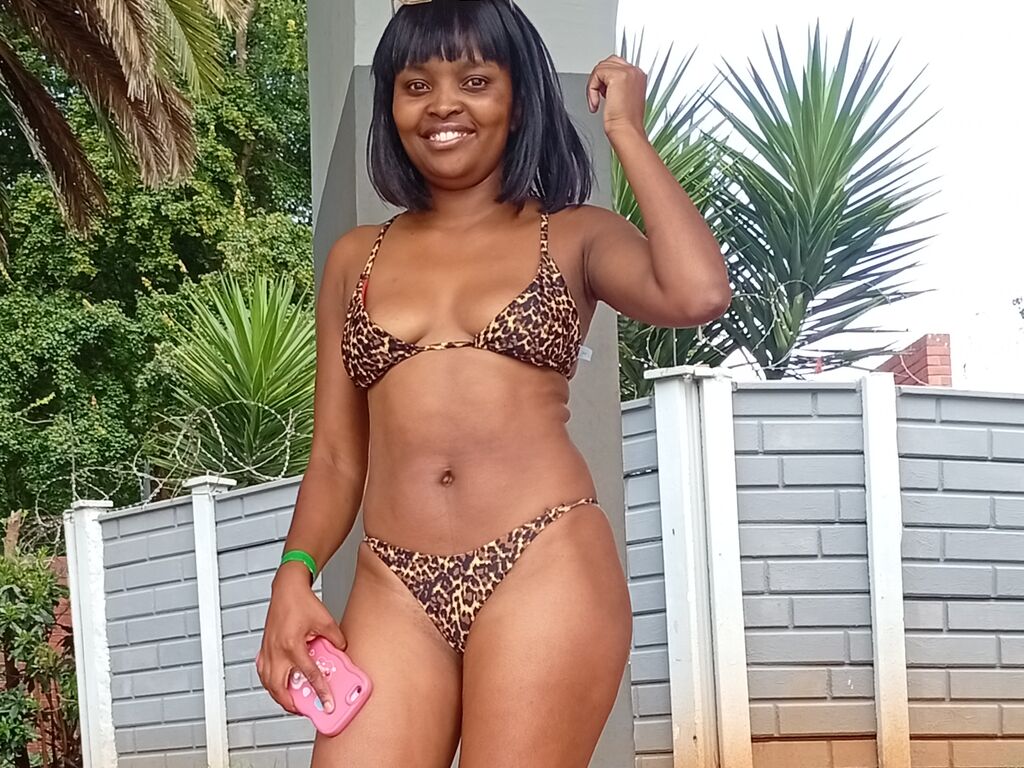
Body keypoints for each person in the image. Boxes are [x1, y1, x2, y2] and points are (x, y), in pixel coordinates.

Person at [256, 1, 730, 765]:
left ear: (520, 95)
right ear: (391, 106)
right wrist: (294, 574)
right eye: (416, 85)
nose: (443, 104)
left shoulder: (573, 234)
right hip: (393, 584)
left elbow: (697, 292)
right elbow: (338, 457)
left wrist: (626, 131)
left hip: (542, 559)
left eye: (475, 81)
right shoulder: (355, 257)